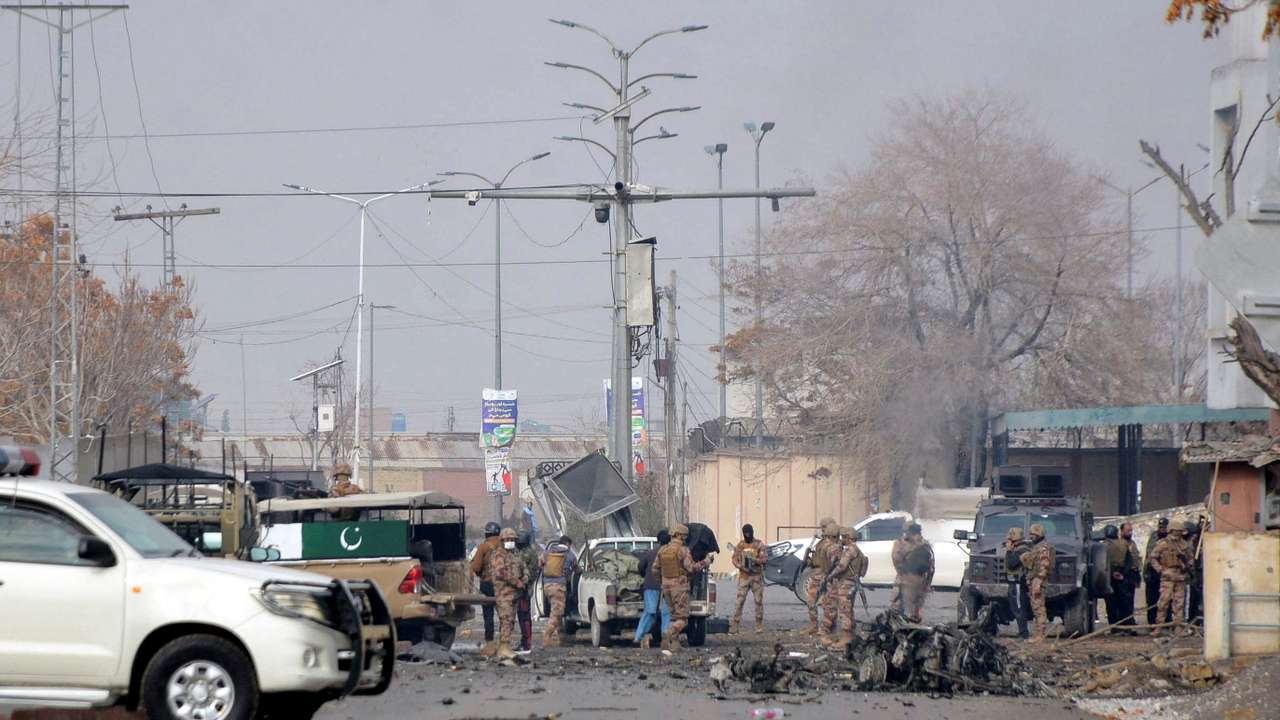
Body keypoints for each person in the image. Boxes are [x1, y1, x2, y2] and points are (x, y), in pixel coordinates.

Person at [657, 523, 713, 652]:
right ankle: (669, 633)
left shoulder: (662, 550)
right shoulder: (683, 550)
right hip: (680, 589)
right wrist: (705, 562)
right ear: (680, 536)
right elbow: (692, 568)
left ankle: (675, 645)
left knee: (673, 617)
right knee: (683, 619)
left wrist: (663, 582)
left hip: (666, 589)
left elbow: (656, 569)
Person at [823, 525, 868, 650]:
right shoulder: (854, 549)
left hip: (846, 583)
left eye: (843, 537)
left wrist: (830, 576)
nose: (841, 539)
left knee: (845, 610)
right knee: (847, 609)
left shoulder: (850, 550)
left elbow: (842, 566)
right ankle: (848, 637)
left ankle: (846, 639)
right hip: (850, 583)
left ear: (848, 538)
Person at [488, 528, 528, 658]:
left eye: (512, 540)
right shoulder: (498, 554)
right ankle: (504, 647)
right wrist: (516, 582)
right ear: (502, 540)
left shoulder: (516, 553)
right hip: (504, 594)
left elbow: (524, 568)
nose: (510, 542)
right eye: (508, 540)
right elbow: (501, 572)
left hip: (515, 594)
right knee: (506, 620)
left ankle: (504, 646)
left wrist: (524, 579)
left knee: (510, 621)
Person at [1151, 516, 1191, 636]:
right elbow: (1153, 558)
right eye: (1177, 531)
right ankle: (1159, 627)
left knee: (1179, 603)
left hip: (1180, 576)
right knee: (1163, 602)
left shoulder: (1184, 545)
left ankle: (1178, 628)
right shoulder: (1162, 544)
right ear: (1172, 530)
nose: (1179, 533)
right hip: (1167, 576)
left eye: (1180, 531)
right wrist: (1160, 570)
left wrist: (1187, 566)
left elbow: (1190, 559)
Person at [634, 530, 672, 649]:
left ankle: (638, 637)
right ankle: (665, 637)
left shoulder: (650, 553)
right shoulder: (673, 553)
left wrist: (645, 576)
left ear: (658, 540)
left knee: (650, 612)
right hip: (668, 586)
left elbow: (640, 567)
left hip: (651, 586)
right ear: (669, 540)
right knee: (666, 613)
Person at [539, 535, 578, 647]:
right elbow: (577, 569)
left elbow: (539, 564)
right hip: (559, 587)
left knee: (556, 609)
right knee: (557, 612)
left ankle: (562, 636)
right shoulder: (570, 555)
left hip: (547, 586)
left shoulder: (547, 553)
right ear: (568, 544)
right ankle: (547, 635)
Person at [730, 524, 768, 634]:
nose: (747, 535)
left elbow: (764, 558)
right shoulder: (741, 545)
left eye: (749, 533)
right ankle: (735, 625)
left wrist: (754, 560)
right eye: (745, 533)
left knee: (758, 601)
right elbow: (734, 559)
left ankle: (759, 625)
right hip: (744, 577)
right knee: (739, 601)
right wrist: (741, 566)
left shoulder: (759, 544)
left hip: (756, 576)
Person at [469, 521, 502, 646]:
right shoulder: (504, 546)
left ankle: (490, 642)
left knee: (488, 615)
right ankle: (504, 641)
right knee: (503, 614)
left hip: (487, 584)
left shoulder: (483, 547)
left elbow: (476, 567)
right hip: (502, 585)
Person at [803, 518, 839, 635]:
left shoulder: (834, 544)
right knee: (811, 600)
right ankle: (813, 625)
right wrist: (809, 561)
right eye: (821, 527)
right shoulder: (820, 543)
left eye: (824, 527)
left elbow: (835, 562)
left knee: (828, 603)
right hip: (817, 574)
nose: (822, 530)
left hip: (828, 576)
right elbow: (816, 559)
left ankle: (829, 627)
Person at [1023, 523, 1055, 642]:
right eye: (1030, 534)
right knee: (1036, 607)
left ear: (1039, 534)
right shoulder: (1036, 546)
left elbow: (1044, 565)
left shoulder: (1042, 547)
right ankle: (1038, 635)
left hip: (1038, 580)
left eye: (1034, 534)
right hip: (1034, 579)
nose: (1031, 536)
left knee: (1039, 608)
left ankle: (1040, 635)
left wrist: (1038, 580)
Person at [515, 530, 541, 651]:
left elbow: (528, 572)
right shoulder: (524, 552)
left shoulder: (527, 553)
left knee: (524, 616)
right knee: (522, 615)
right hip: (522, 588)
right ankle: (524, 641)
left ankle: (526, 643)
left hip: (524, 589)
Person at [1003, 527, 1031, 638]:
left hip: (1018, 584)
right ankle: (1023, 633)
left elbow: (1011, 564)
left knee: (1019, 609)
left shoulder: (1022, 550)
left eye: (1010, 540)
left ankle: (1023, 634)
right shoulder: (1019, 549)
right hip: (1014, 583)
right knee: (1017, 608)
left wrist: (1009, 550)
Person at [1143, 517, 1169, 625]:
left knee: (1166, 600)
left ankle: (1166, 622)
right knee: (1152, 600)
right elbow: (1149, 554)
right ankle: (1152, 623)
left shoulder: (1170, 539)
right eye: (1160, 527)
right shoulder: (1154, 536)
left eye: (1164, 528)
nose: (1161, 529)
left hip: (1166, 573)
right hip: (1152, 573)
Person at [1116, 522, 1142, 630]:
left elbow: (1136, 558)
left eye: (1131, 530)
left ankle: (1130, 620)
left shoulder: (1132, 543)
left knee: (1130, 599)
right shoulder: (1119, 544)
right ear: (1121, 531)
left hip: (1132, 575)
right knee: (1124, 601)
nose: (1130, 533)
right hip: (1124, 574)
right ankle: (1124, 622)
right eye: (1128, 531)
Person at [1102, 524, 1124, 627]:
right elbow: (1129, 561)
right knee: (1123, 603)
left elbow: (1102, 563)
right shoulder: (1124, 544)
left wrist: (1112, 573)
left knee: (1111, 604)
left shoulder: (1103, 546)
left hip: (1108, 577)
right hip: (1122, 576)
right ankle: (1123, 625)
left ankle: (1114, 626)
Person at [1184, 518, 1204, 626]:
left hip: (1196, 574)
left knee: (1196, 598)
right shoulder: (1186, 544)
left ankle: (1194, 620)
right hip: (1189, 575)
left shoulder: (1195, 542)